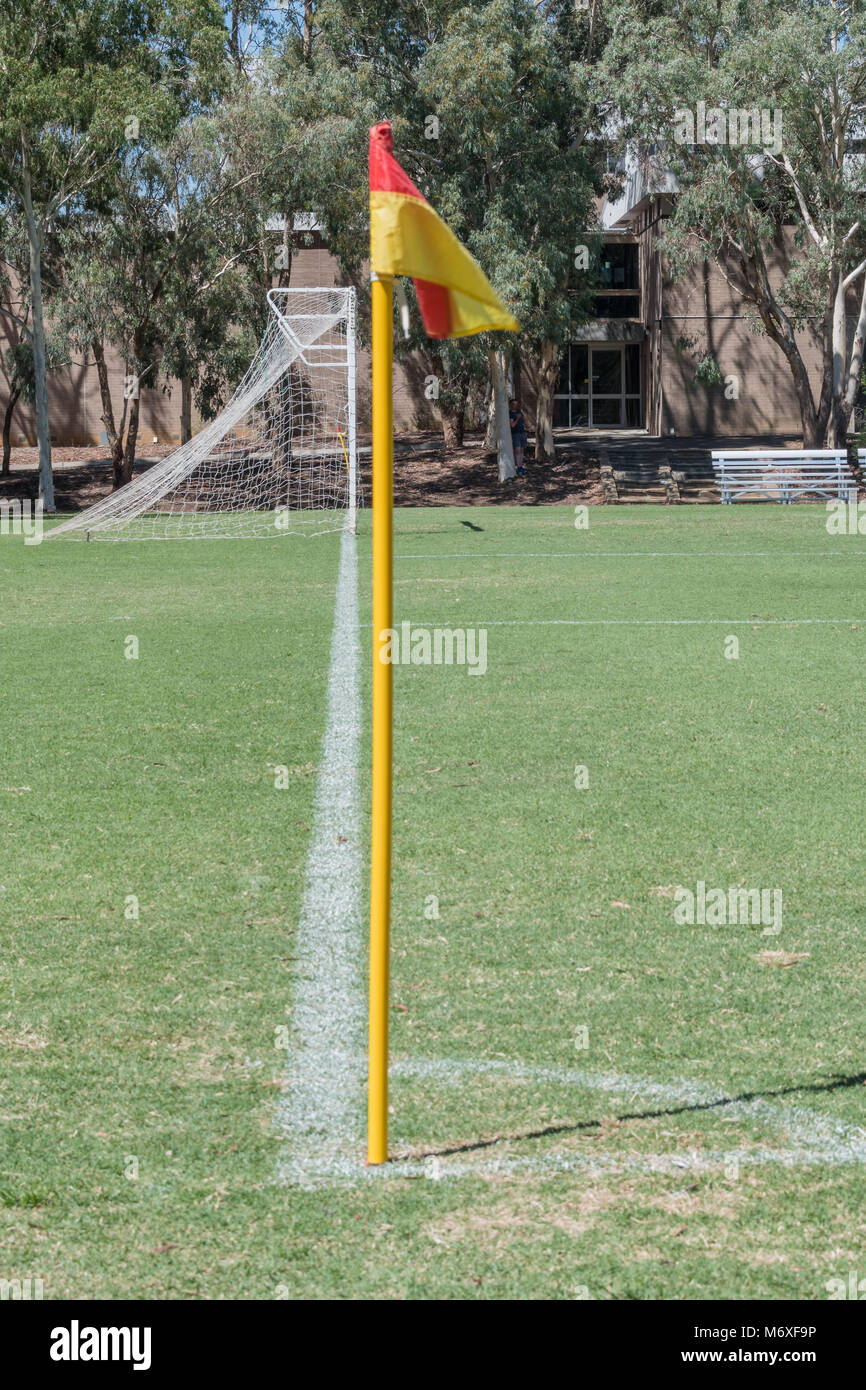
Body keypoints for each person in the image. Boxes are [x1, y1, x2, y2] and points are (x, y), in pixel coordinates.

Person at [509, 398, 527, 476]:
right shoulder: (510, 414)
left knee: (522, 451)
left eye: (516, 404)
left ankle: (521, 467)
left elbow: (523, 421)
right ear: (510, 405)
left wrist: (522, 418)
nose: (515, 406)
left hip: (522, 433)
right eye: (513, 404)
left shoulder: (519, 411)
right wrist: (517, 418)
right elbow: (512, 425)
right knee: (518, 450)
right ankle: (518, 467)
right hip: (515, 434)